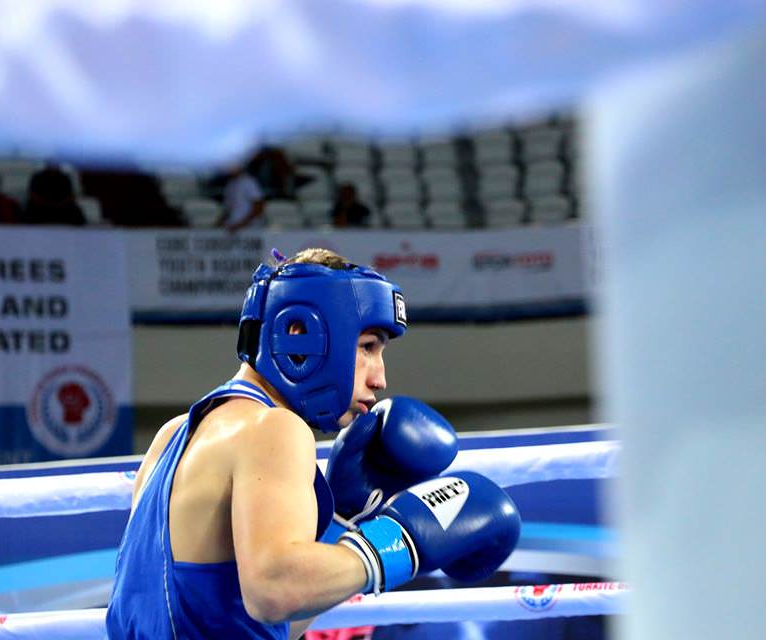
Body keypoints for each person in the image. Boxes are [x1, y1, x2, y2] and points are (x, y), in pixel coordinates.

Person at [106, 248, 520, 640]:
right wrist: (401, 541)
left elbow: (270, 622)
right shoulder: (274, 428)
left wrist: (342, 523)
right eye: (367, 347)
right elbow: (273, 591)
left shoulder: (173, 435)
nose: (380, 378)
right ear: (300, 332)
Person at [217, 153, 267, 232]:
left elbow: (259, 207)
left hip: (250, 228)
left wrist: (241, 224)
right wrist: (218, 224)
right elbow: (228, 210)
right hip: (233, 227)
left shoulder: (249, 182)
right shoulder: (230, 184)